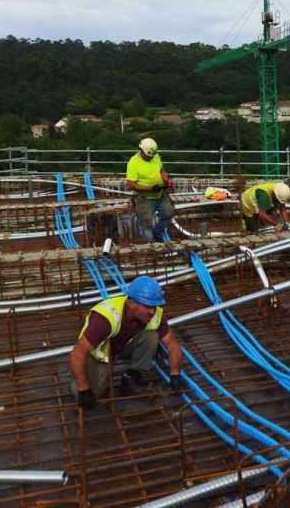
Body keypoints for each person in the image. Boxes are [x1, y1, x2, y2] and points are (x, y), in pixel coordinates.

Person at [70, 275, 183, 409]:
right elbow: (77, 353)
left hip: (124, 346)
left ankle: (131, 377)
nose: (152, 312)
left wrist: (175, 374)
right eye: (147, 306)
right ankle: (78, 381)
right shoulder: (105, 319)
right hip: (101, 354)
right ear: (132, 303)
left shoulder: (155, 314)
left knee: (152, 336)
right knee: (91, 393)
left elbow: (172, 344)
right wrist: (84, 389)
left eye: (154, 306)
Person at [127, 138, 174, 242]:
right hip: (144, 198)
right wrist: (150, 188)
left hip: (160, 194)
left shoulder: (155, 156)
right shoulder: (133, 162)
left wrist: (166, 180)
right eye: (148, 156)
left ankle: (158, 232)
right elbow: (131, 185)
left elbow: (161, 170)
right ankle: (151, 244)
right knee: (146, 223)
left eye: (151, 156)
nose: (150, 158)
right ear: (141, 150)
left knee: (168, 213)